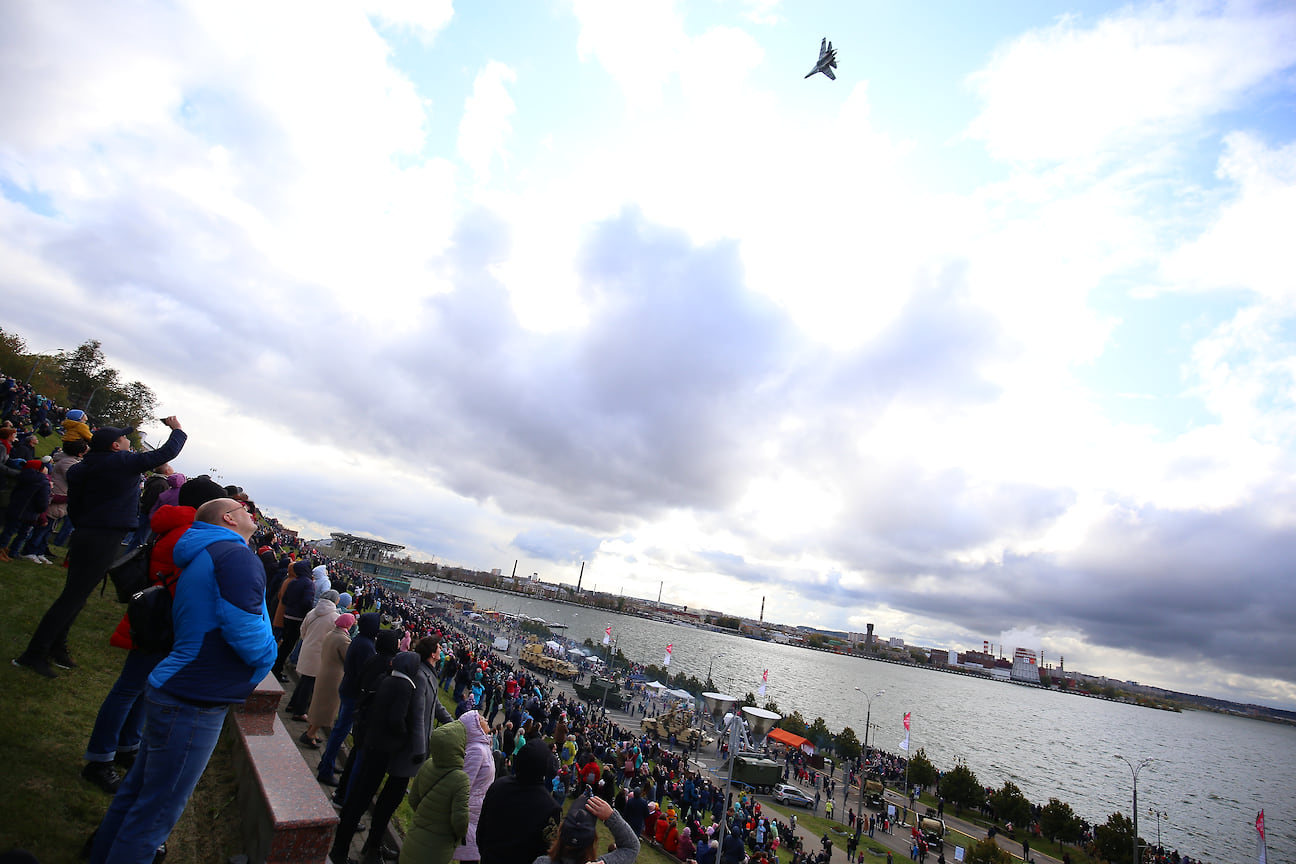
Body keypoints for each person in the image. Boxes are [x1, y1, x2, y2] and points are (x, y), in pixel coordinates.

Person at [88, 496, 275, 864]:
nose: (252, 515)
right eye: (245, 511)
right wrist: (268, 657)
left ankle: (102, 853)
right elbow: (249, 637)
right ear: (229, 518)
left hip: (179, 684)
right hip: (195, 696)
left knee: (139, 792)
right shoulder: (236, 557)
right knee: (155, 813)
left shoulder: (205, 550)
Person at [79, 476, 227, 794]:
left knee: (142, 688)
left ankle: (126, 746)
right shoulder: (190, 533)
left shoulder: (180, 526)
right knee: (128, 689)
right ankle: (99, 758)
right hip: (162, 623)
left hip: (163, 620)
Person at [13, 418, 186, 678]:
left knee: (77, 595)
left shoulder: (84, 467)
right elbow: (166, 453)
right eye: (126, 439)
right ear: (116, 446)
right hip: (104, 535)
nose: (130, 441)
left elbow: (76, 505)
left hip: (88, 532)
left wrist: (85, 523)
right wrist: (177, 429)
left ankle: (57, 647)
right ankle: (34, 653)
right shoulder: (121, 462)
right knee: (72, 598)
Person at [398, 715, 473, 864]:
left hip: (414, 838)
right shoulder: (460, 779)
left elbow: (413, 799)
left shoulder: (428, 764)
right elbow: (460, 821)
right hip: (439, 847)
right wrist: (457, 837)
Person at [476, 738, 562, 864]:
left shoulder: (498, 786)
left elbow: (481, 830)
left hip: (490, 858)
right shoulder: (551, 807)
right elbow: (549, 850)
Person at [534, 794, 640, 864]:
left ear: (560, 831)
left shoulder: (542, 862)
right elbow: (631, 847)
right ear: (593, 840)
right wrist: (611, 816)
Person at [452, 710, 495, 864]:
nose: (485, 719)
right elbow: (465, 783)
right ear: (474, 726)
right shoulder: (476, 750)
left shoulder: (483, 746)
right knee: (469, 856)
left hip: (477, 809)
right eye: (481, 718)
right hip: (470, 811)